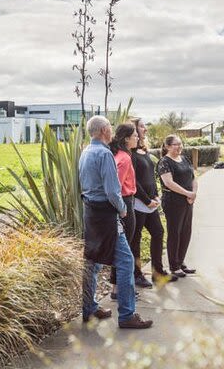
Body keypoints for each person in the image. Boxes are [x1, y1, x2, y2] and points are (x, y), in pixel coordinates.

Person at [80, 115, 153, 329]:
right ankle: (127, 315)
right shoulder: (104, 153)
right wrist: (122, 210)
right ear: (103, 130)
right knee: (126, 262)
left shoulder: (86, 151)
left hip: (90, 213)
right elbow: (113, 191)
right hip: (106, 215)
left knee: (92, 263)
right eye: (110, 127)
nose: (112, 131)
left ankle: (89, 309)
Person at [130, 118, 177, 286]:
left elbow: (151, 176)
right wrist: (146, 199)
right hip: (138, 204)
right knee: (135, 240)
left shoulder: (145, 151)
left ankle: (158, 272)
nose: (145, 129)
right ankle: (137, 275)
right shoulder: (131, 154)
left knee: (158, 232)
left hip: (150, 203)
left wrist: (155, 196)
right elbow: (133, 182)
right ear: (134, 130)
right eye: (142, 126)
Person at [157, 134, 198, 278]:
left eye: (180, 144)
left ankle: (180, 262)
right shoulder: (164, 162)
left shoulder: (185, 159)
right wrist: (187, 193)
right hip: (173, 201)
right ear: (167, 146)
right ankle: (174, 266)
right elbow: (168, 183)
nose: (179, 146)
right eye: (175, 144)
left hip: (188, 200)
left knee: (186, 232)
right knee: (175, 232)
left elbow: (193, 177)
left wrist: (193, 193)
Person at [108, 123, 139, 299]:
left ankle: (116, 289)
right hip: (125, 203)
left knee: (121, 248)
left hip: (125, 201)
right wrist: (121, 209)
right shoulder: (125, 158)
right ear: (126, 138)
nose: (138, 138)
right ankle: (121, 290)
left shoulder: (118, 154)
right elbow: (117, 187)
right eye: (135, 135)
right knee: (125, 249)